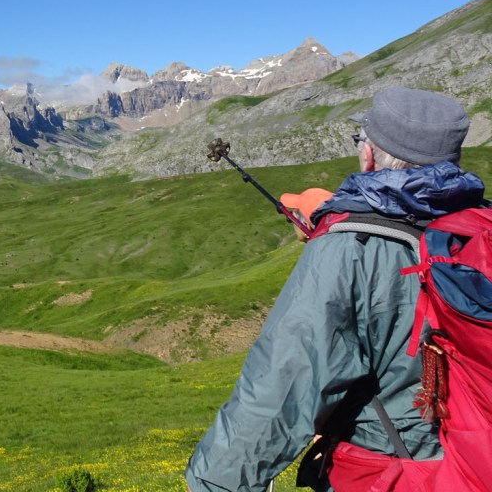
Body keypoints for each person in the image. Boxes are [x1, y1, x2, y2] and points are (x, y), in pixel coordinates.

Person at [184, 87, 484, 492]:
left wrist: (214, 482)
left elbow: (282, 384)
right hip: (474, 460)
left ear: (370, 154)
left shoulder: (348, 251)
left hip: (393, 473)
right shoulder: (477, 228)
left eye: (360, 139)